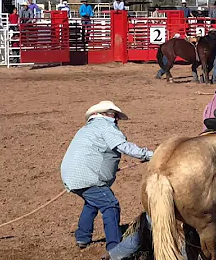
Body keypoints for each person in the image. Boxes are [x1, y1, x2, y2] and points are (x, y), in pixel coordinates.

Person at [60, 101, 153, 253]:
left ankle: (83, 236)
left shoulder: (87, 129)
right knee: (110, 205)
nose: (116, 119)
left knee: (92, 202)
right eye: (114, 115)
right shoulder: (106, 126)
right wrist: (150, 155)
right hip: (88, 176)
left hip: (72, 175)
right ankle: (115, 247)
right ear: (105, 114)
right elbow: (123, 146)